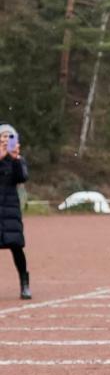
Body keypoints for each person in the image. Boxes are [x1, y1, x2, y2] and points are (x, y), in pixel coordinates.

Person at [0, 124, 29, 300]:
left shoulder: (17, 159)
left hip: (10, 209)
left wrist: (16, 158)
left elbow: (22, 178)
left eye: (9, 137)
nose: (5, 140)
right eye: (2, 136)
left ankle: (24, 283)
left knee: (16, 247)